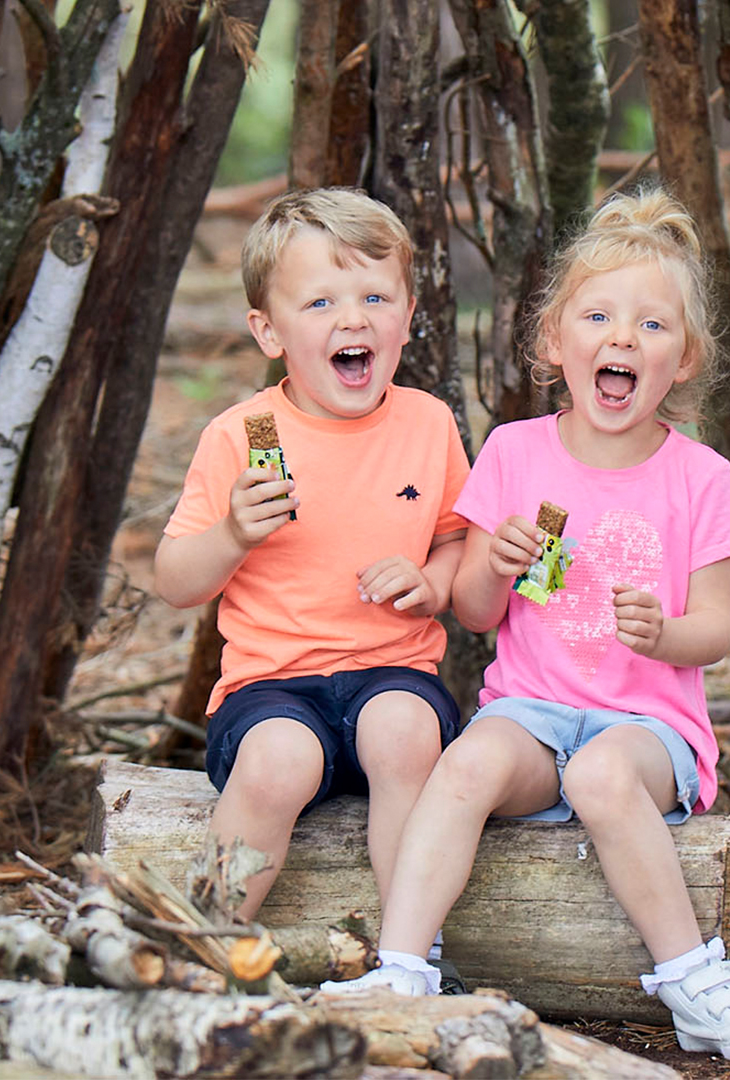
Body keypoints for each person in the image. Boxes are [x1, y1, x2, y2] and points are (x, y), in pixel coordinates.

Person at [320, 189, 730, 1063]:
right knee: (463, 765)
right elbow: (475, 613)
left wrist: (663, 632)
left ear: (684, 357)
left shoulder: (702, 478)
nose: (623, 338)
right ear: (555, 344)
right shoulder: (515, 454)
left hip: (648, 728)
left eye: (652, 326)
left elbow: (717, 634)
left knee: (605, 777)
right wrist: (495, 567)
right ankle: (403, 968)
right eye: (599, 316)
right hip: (532, 713)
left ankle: (694, 982)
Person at [154, 188, 469, 923]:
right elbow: (174, 582)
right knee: (275, 764)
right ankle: (204, 938)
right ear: (269, 333)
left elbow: (457, 538)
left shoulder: (427, 422)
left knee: (406, 736)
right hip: (272, 686)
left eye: (373, 296)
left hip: (392, 674)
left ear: (408, 317)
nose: (353, 318)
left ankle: (409, 953)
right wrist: (231, 534)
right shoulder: (243, 434)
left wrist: (430, 582)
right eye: (321, 303)